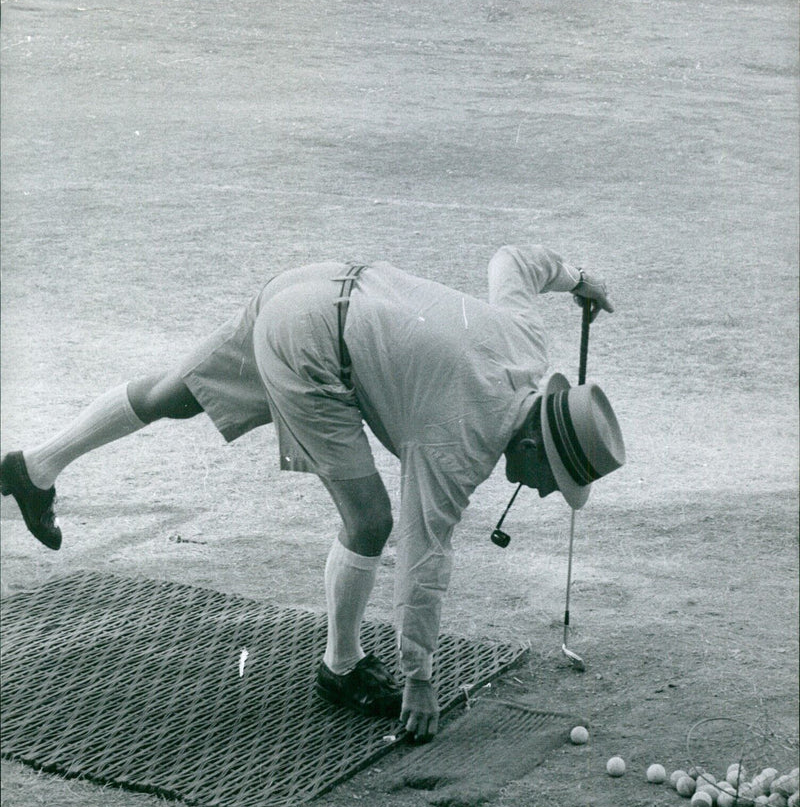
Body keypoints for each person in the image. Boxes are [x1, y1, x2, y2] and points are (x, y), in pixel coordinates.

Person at [1, 245, 625, 744]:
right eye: (556, 481)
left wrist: (577, 279)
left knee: (175, 394)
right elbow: (423, 561)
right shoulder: (457, 448)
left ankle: (35, 467)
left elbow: (512, 261)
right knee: (371, 521)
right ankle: (341, 668)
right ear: (538, 446)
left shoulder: (525, 341)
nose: (545, 493)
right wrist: (420, 678)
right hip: (313, 351)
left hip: (317, 282)